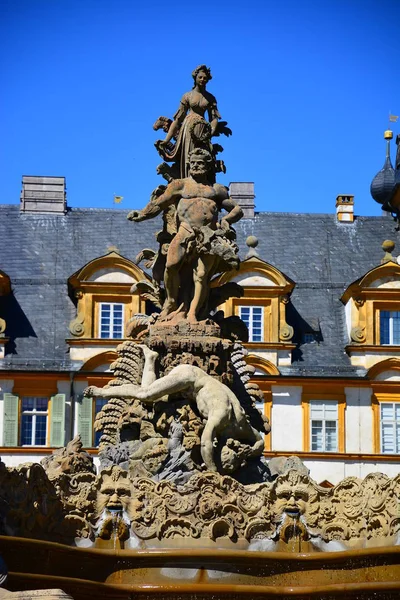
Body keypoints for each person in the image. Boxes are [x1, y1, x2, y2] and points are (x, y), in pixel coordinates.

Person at [84, 345, 264, 473]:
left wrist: (252, 451)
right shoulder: (221, 417)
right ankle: (103, 392)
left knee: (152, 398)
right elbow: (205, 443)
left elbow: (259, 441)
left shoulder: (242, 425)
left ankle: (150, 358)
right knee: (146, 394)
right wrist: (213, 472)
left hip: (191, 390)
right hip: (188, 378)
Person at [128, 148, 243, 323]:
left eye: (201, 163)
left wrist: (226, 220)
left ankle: (193, 313)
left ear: (208, 165)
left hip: (209, 237)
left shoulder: (216, 190)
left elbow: (237, 209)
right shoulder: (180, 185)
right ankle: (171, 302)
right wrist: (142, 214)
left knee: (202, 275)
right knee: (171, 265)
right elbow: (158, 204)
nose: (196, 166)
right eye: (193, 163)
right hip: (185, 231)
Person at [155, 65, 221, 180]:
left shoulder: (211, 98)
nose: (202, 80)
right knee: (188, 156)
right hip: (188, 128)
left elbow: (214, 118)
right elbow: (177, 120)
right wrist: (167, 140)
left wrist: (211, 131)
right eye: (200, 77)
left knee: (202, 156)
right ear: (195, 78)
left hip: (203, 131)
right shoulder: (187, 96)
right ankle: (186, 181)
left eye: (205, 78)